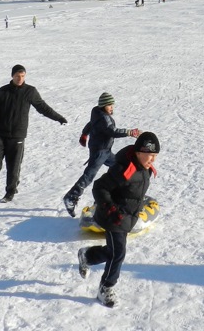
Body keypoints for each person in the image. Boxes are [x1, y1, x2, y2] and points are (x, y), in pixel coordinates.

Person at [77, 131, 160, 308]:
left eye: (155, 156)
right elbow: (99, 188)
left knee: (113, 251)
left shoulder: (144, 169)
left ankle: (87, 256)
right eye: (149, 155)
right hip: (113, 217)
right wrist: (111, 209)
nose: (152, 159)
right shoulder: (125, 169)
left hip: (126, 217)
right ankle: (106, 288)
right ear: (138, 153)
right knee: (118, 253)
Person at [0, 64, 67, 203]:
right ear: (12, 76)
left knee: (13, 165)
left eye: (22, 76)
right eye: (17, 76)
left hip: (17, 135)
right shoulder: (3, 91)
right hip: (0, 134)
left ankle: (10, 192)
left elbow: (43, 108)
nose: (20, 78)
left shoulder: (30, 91)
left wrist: (58, 118)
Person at [63, 93, 138, 216]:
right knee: (89, 175)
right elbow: (112, 131)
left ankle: (115, 195)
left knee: (118, 168)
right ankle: (71, 197)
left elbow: (91, 123)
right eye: (109, 105)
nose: (111, 107)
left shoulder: (97, 113)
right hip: (100, 151)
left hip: (105, 150)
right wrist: (129, 132)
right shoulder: (104, 118)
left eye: (112, 105)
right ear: (103, 105)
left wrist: (84, 134)